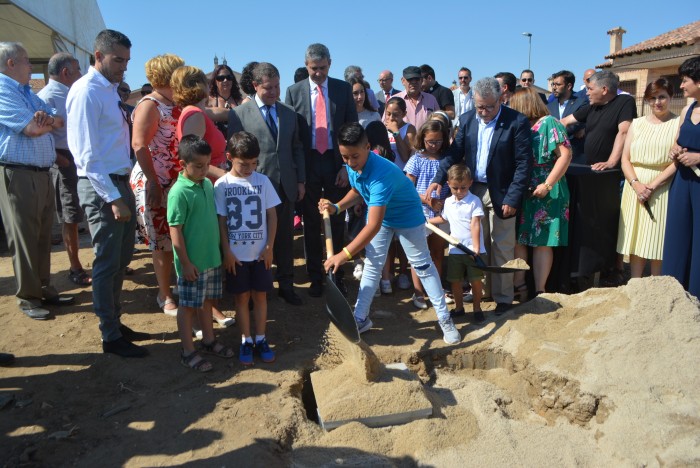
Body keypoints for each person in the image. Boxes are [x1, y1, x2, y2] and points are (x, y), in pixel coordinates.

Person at [321, 122, 461, 344]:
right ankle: (360, 318)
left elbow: (373, 226)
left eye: (354, 157)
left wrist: (344, 254)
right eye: (345, 157)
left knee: (423, 266)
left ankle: (445, 319)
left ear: (368, 147)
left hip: (408, 218)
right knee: (372, 266)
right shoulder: (353, 163)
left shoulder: (381, 175)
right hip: (382, 217)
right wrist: (337, 207)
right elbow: (358, 189)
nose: (350, 163)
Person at [67, 29, 150, 357]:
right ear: (98, 55)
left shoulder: (109, 91)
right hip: (102, 186)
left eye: (127, 61)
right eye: (118, 60)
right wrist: (113, 198)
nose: (123, 67)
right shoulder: (87, 91)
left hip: (119, 182)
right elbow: (86, 154)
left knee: (121, 259)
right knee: (106, 261)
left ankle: (115, 321)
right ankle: (109, 334)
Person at [427, 77, 532, 314]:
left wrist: (513, 197)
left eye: (489, 107)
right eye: (479, 107)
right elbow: (454, 153)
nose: (483, 112)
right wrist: (437, 180)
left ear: (501, 99)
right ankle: (481, 291)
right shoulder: (466, 120)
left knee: (502, 245)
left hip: (502, 192)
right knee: (478, 244)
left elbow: (524, 164)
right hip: (472, 191)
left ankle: (504, 298)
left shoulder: (516, 122)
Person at [0, 42, 73, 321]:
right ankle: (29, 297)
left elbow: (57, 121)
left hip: (39, 172)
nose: (31, 66)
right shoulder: (3, 90)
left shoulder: (25, 92)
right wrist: (45, 121)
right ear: (11, 64)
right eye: (27, 61)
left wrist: (47, 120)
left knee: (42, 235)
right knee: (25, 237)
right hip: (18, 173)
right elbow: (31, 128)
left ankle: (44, 288)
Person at [227, 62, 306, 306]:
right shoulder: (240, 114)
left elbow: (296, 148)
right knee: (255, 240)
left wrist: (300, 180)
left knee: (283, 238)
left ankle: (286, 285)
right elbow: (234, 150)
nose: (274, 92)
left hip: (285, 186)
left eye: (277, 87)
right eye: (268, 88)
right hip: (253, 189)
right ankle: (256, 288)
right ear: (255, 86)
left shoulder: (289, 113)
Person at [284, 43, 358, 297]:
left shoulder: (342, 89)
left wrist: (346, 167)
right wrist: (300, 176)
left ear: (330, 63)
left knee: (337, 221)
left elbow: (352, 130)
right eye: (313, 69)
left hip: (336, 163)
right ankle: (316, 276)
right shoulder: (294, 92)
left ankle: (337, 275)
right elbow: (293, 137)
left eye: (323, 68)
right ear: (306, 66)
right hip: (309, 163)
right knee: (311, 222)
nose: (318, 73)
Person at [560, 70, 636, 289]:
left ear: (604, 89)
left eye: (590, 88)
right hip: (592, 173)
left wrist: (612, 162)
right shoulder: (592, 105)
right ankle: (590, 269)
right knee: (592, 224)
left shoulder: (624, 103)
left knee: (612, 222)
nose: (587, 92)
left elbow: (623, 133)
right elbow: (566, 120)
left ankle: (616, 269)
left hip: (612, 176)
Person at [168, 135, 234, 372]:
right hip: (192, 264)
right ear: (182, 164)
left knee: (207, 302)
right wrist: (185, 263)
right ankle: (187, 350)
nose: (204, 170)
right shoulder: (178, 192)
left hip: (211, 260)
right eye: (198, 166)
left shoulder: (207, 184)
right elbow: (174, 229)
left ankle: (208, 340)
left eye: (207, 165)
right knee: (187, 307)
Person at [215, 131, 280, 365]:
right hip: (236, 256)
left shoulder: (262, 181)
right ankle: (245, 340)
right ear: (230, 157)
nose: (250, 168)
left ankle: (261, 338)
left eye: (254, 163)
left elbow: (272, 215)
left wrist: (270, 246)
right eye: (244, 164)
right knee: (241, 299)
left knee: (260, 297)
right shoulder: (222, 185)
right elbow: (221, 220)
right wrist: (227, 251)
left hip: (260, 253)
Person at [129, 54, 185, 316]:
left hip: (174, 181)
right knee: (161, 241)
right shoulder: (149, 105)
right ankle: (165, 294)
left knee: (175, 237)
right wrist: (153, 181)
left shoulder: (174, 103)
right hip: (155, 182)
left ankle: (174, 288)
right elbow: (139, 144)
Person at [509, 87, 572, 299]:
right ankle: (520, 287)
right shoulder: (523, 126)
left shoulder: (549, 123)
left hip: (548, 191)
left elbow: (565, 155)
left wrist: (547, 184)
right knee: (521, 239)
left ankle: (539, 291)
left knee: (542, 243)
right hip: (526, 190)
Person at [37, 52, 89, 287]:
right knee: (70, 217)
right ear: (66, 72)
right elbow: (39, 135)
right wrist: (60, 159)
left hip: (79, 159)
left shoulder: (71, 92)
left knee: (84, 212)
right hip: (66, 161)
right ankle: (75, 267)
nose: (80, 74)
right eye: (77, 69)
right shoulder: (46, 97)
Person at [617, 78, 678, 279]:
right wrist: (636, 184)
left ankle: (657, 286)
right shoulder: (637, 123)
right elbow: (625, 158)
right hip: (634, 184)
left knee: (657, 238)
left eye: (662, 97)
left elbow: (676, 162)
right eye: (652, 98)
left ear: (670, 97)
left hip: (662, 186)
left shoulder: (678, 123)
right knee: (635, 238)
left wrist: (651, 186)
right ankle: (635, 283)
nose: (657, 102)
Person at [428, 164, 485, 321]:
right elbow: (443, 218)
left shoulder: (474, 201)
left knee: (475, 281)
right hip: (455, 249)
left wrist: (476, 249)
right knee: (455, 281)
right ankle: (459, 308)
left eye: (463, 188)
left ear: (470, 183)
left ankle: (477, 309)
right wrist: (426, 221)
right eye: (455, 188)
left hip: (473, 250)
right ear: (448, 184)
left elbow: (475, 224)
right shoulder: (448, 202)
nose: (459, 192)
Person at [663, 56, 700, 298]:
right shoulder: (688, 109)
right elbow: (677, 142)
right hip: (682, 183)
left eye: (685, 80)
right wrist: (675, 149)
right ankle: (674, 294)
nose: (682, 86)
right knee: (677, 236)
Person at [405, 120, 451, 309]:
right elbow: (408, 187)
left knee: (438, 253)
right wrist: (427, 200)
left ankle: (436, 290)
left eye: (438, 141)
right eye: (430, 141)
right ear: (422, 139)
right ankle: (418, 292)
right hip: (420, 213)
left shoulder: (446, 160)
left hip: (441, 213)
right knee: (419, 255)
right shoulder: (417, 158)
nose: (434, 145)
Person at [173, 66, 227, 182]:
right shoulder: (195, 115)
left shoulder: (196, 112)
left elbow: (218, 112)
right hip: (204, 185)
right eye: (206, 82)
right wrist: (226, 175)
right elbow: (191, 158)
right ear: (200, 85)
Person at [547, 70, 586, 164]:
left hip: (575, 156)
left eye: (558, 84)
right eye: (553, 84)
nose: (554, 88)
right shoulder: (549, 106)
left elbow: (578, 125)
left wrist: (553, 132)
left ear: (569, 86)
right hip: (554, 157)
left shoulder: (582, 103)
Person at [392, 66, 439, 132]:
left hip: (425, 141)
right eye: (410, 79)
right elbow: (387, 123)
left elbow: (439, 122)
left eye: (417, 79)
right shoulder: (393, 100)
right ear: (403, 81)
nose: (413, 82)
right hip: (401, 141)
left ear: (421, 80)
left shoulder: (431, 99)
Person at [208, 64, 243, 137]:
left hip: (237, 146)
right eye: (221, 78)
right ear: (215, 81)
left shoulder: (240, 101)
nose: (225, 80)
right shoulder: (208, 101)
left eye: (229, 77)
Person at [384, 96, 415, 171]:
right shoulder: (383, 128)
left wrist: (396, 133)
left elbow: (405, 157)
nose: (391, 118)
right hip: (386, 173)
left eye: (395, 115)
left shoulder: (409, 129)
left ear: (404, 114)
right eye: (388, 114)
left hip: (402, 173)